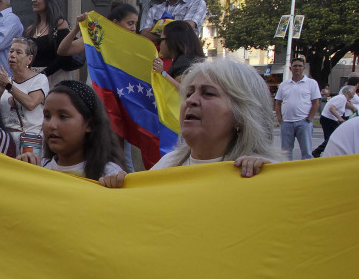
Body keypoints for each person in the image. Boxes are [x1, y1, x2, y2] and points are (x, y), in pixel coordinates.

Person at [100, 59, 280, 187]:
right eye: (189, 94)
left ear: (242, 115)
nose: (191, 101)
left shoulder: (263, 171)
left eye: (208, 93)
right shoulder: (169, 163)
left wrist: (266, 179)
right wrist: (119, 188)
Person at [18, 81, 125, 179]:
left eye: (63, 116)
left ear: (89, 124)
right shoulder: (38, 167)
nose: (51, 125)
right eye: (47, 116)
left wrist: (115, 184)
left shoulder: (108, 173)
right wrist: (19, 170)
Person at [0, 38, 49, 153]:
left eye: (18, 52)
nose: (12, 55)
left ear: (29, 59)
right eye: (11, 51)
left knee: (29, 170)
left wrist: (8, 86)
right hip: (6, 140)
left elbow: (31, 103)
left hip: (31, 138)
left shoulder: (39, 79)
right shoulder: (4, 80)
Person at [23, 0, 77, 87]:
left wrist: (43, 74)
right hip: (33, 79)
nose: (34, 0)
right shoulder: (31, 29)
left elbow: (65, 57)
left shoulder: (60, 24)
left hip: (55, 78)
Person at [274, 57, 320, 160]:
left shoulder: (311, 83)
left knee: (306, 151)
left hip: (303, 122)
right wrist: (280, 119)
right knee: (286, 151)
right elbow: (278, 103)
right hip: (286, 122)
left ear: (304, 68)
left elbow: (316, 102)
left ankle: (307, 172)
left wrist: (309, 118)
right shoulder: (283, 85)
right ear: (290, 68)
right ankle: (287, 171)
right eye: (295, 66)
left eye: (300, 66)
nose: (297, 68)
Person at [58, 3, 140, 56]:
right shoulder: (98, 37)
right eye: (130, 23)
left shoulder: (137, 45)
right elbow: (63, 51)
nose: (134, 28)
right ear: (115, 22)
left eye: (135, 24)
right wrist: (76, 28)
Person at [151, 21, 205, 88]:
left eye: (160, 40)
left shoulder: (186, 64)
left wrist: (162, 73)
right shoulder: (190, 60)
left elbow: (184, 91)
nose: (159, 45)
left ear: (172, 40)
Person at [313, 85, 357, 157]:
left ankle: (322, 152)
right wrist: (339, 118)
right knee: (332, 137)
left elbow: (343, 105)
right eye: (354, 92)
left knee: (331, 137)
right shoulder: (342, 98)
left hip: (329, 119)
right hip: (329, 119)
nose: (354, 94)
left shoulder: (343, 98)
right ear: (349, 92)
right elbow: (332, 108)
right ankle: (317, 151)